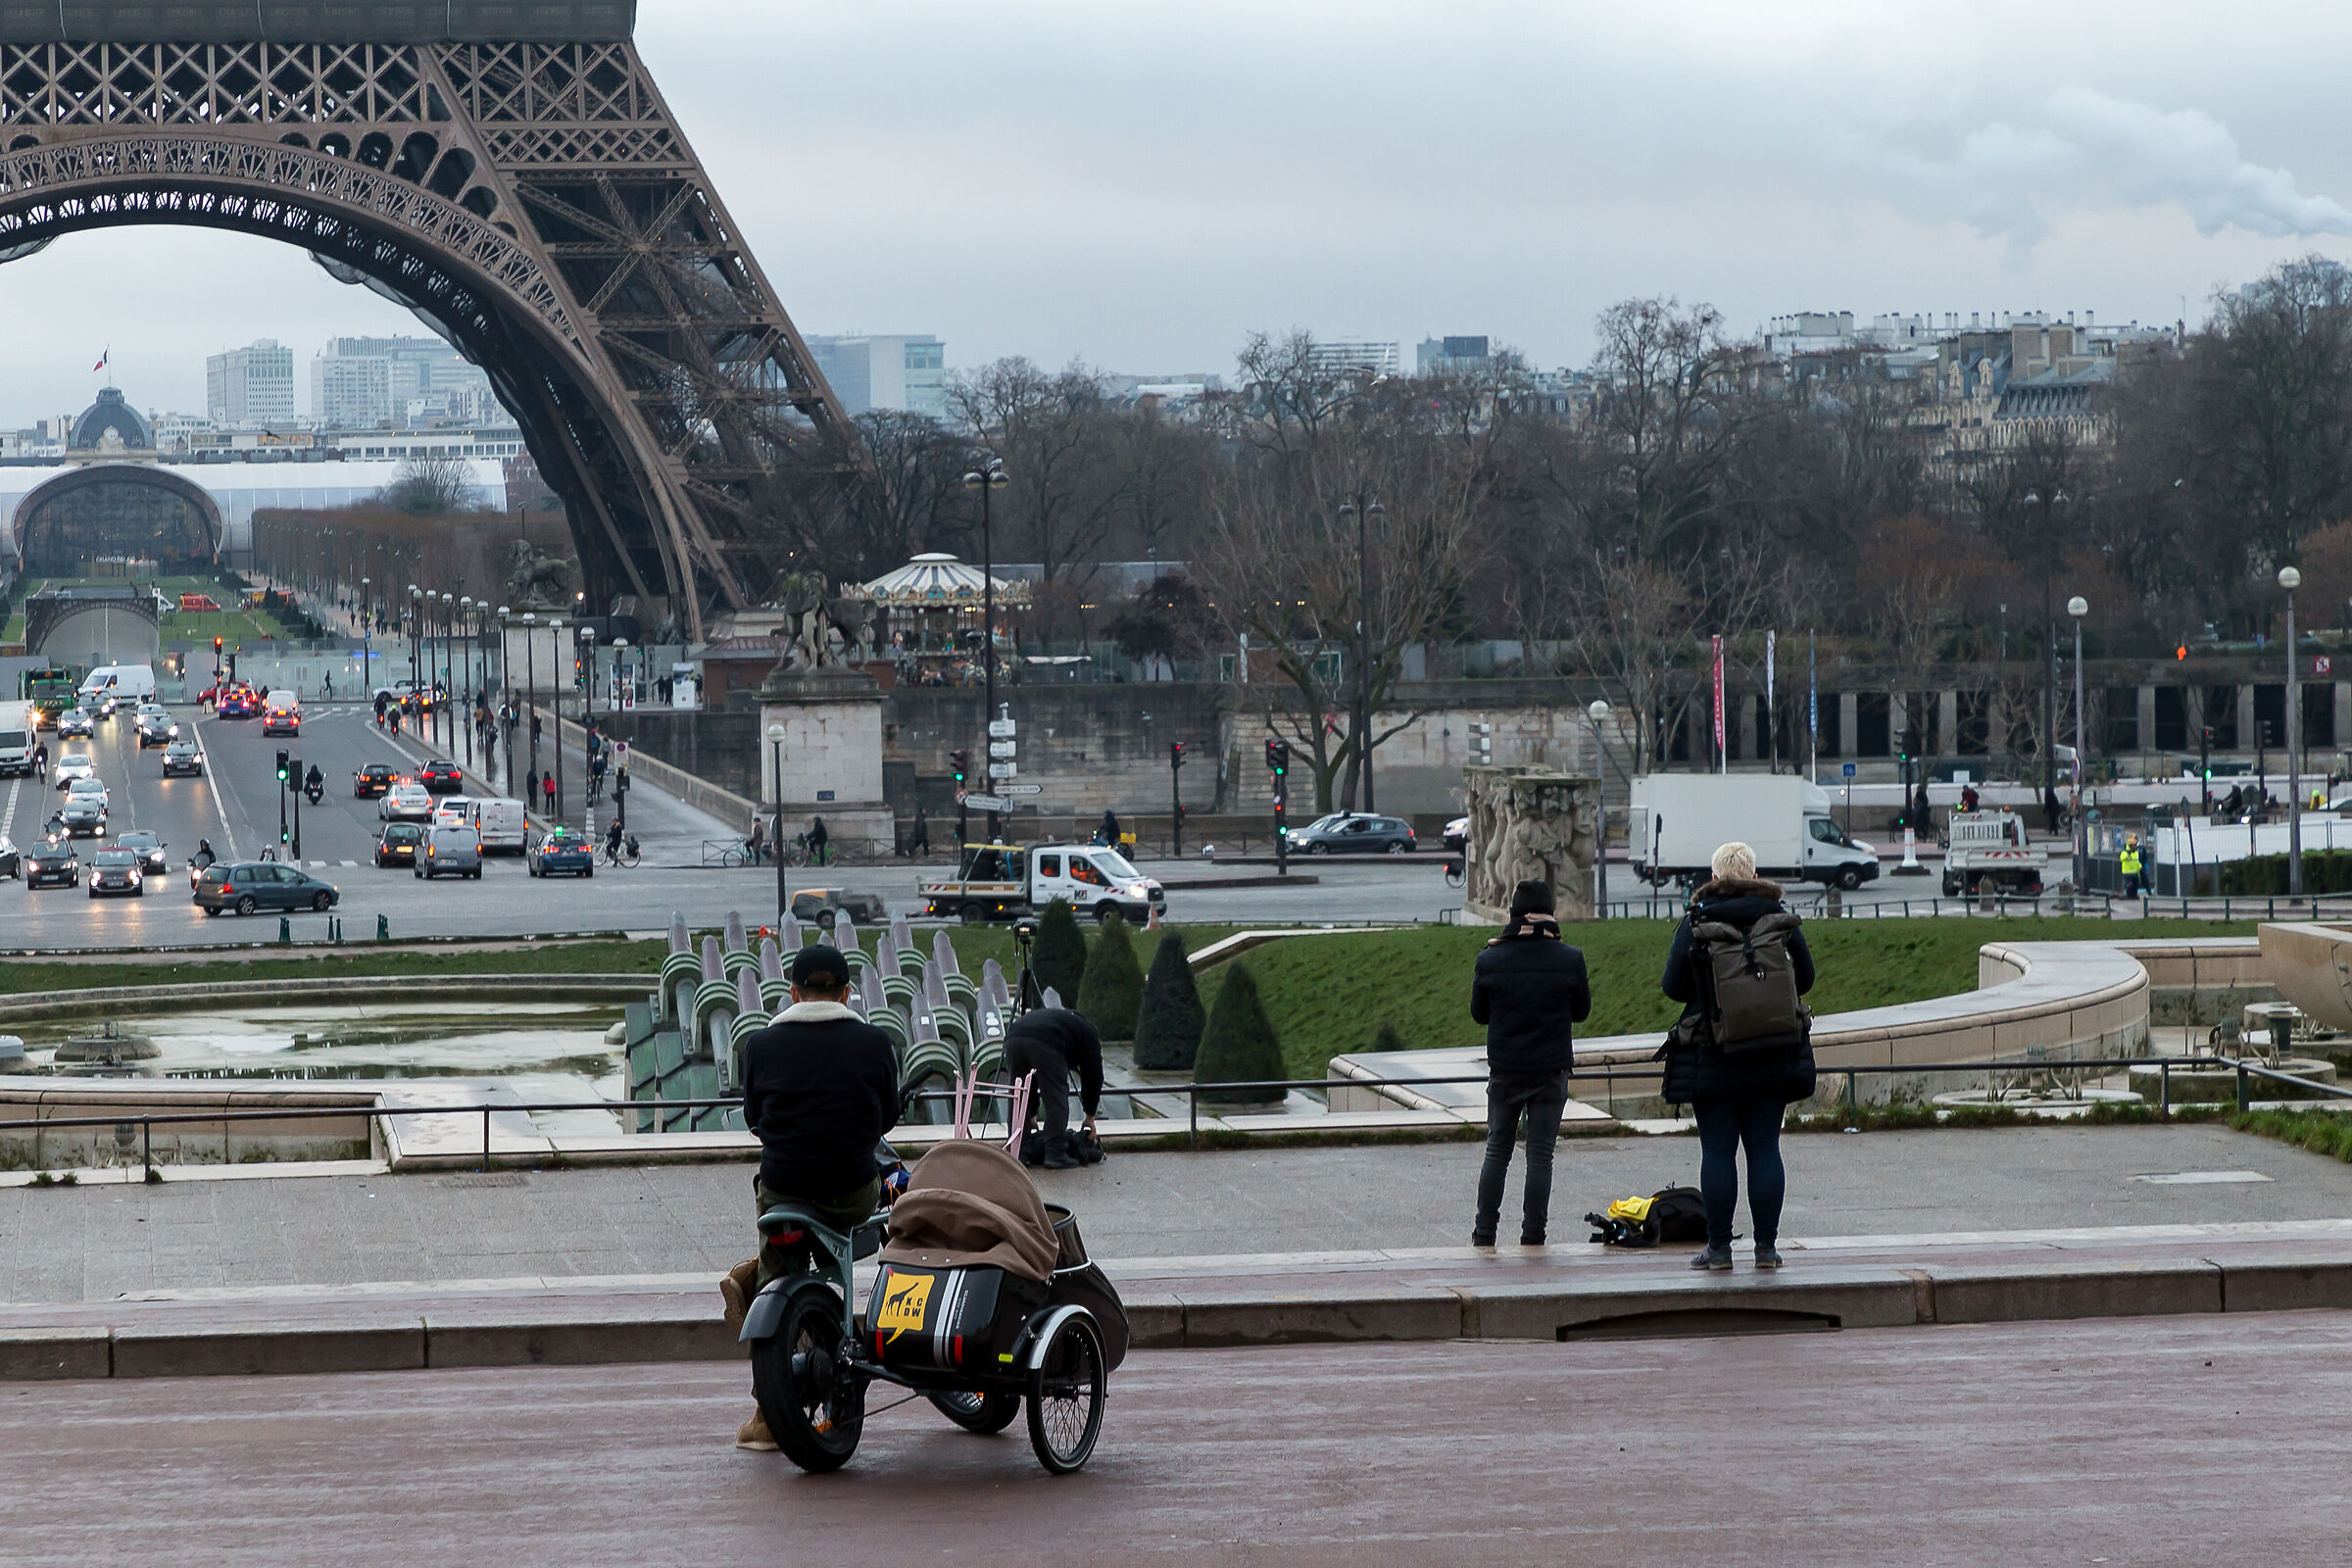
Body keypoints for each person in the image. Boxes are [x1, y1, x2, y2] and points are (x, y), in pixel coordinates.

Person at [726, 944, 899, 1452]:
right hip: (851, 1195)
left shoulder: (761, 1044)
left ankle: (764, 1416)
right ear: (846, 993)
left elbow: (756, 1119)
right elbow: (885, 1120)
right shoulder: (874, 1043)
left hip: (784, 1191)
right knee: (866, 1213)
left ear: (793, 993)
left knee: (777, 1269)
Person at [1660, 842, 1816, 1272]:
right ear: (1754, 875)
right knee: (1765, 1147)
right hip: (1772, 1051)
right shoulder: (1779, 919)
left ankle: (1719, 1248)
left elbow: (1672, 987)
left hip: (1714, 1052)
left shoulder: (1697, 921)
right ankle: (1766, 1248)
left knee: (1718, 1151)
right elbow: (1807, 978)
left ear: (1713, 879)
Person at [1468, 879, 1592, 1248]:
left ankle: (1484, 1232)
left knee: (1497, 1150)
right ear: (1550, 913)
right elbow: (1582, 1012)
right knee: (1540, 1155)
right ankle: (1534, 1234)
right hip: (1550, 1070)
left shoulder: (1489, 959)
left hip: (1505, 1068)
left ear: (1514, 913)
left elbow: (1479, 1015)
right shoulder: (1570, 958)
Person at [1003, 1005, 1104, 1170]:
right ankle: (1056, 1153)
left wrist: (1032, 1115)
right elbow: (1094, 1076)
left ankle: (1020, 1152)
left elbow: (1031, 1082)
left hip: (1014, 1038)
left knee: (1018, 1095)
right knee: (1056, 1096)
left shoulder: (1064, 1022)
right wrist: (1090, 1116)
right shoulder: (1089, 1034)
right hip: (1047, 1042)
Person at [2120, 835, 2144, 901]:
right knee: (2129, 885)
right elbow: (2122, 858)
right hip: (2127, 872)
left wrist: (2140, 867)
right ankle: (2129, 895)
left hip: (2135, 873)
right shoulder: (2125, 852)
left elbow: (2136, 861)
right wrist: (2129, 853)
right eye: (2134, 845)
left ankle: (2134, 895)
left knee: (2135, 885)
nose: (2135, 847)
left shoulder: (2136, 853)